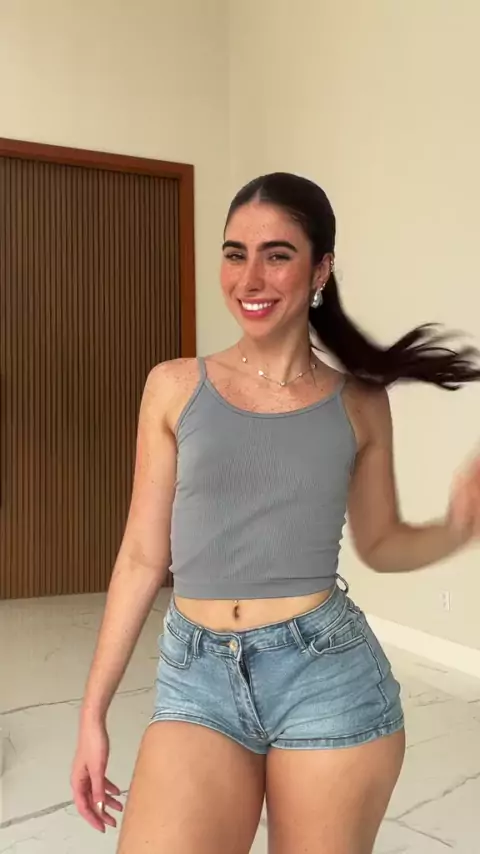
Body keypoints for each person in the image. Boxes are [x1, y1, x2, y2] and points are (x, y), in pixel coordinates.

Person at [71, 172, 480, 854]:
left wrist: (460, 527)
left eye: (277, 255)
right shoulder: (173, 386)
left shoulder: (359, 403)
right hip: (196, 676)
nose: (249, 278)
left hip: (325, 673)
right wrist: (93, 712)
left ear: (321, 269)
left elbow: (381, 544)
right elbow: (142, 556)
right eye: (235, 254)